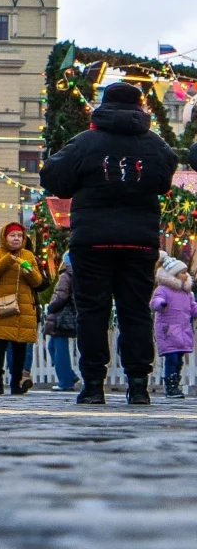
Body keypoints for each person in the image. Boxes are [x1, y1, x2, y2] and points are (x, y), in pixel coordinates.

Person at [42, 82, 181, 405]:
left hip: (92, 242)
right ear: (141, 108)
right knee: (135, 312)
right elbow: (164, 178)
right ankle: (138, 385)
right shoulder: (155, 145)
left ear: (104, 106)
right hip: (139, 242)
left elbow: (53, 177)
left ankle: (92, 385)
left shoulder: (85, 142)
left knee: (92, 312)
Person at [0, 221, 42, 396]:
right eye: (12, 235)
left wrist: (27, 269)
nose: (16, 239)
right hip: (0, 307)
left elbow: (37, 281)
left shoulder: (28, 255)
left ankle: (16, 383)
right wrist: (7, 260)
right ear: (5, 237)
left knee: (20, 346)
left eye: (20, 236)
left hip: (22, 308)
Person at [151, 258, 196, 399]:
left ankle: (175, 383)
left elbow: (192, 306)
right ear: (174, 274)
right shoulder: (163, 289)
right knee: (172, 358)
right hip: (168, 329)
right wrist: (160, 304)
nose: (186, 275)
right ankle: (170, 385)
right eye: (182, 273)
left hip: (182, 329)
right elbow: (154, 302)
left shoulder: (186, 292)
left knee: (179, 359)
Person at [44, 256, 79, 393]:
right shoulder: (77, 273)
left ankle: (65, 381)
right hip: (70, 315)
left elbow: (61, 296)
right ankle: (69, 375)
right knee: (53, 346)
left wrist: (51, 307)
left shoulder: (66, 275)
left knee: (59, 349)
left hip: (62, 316)